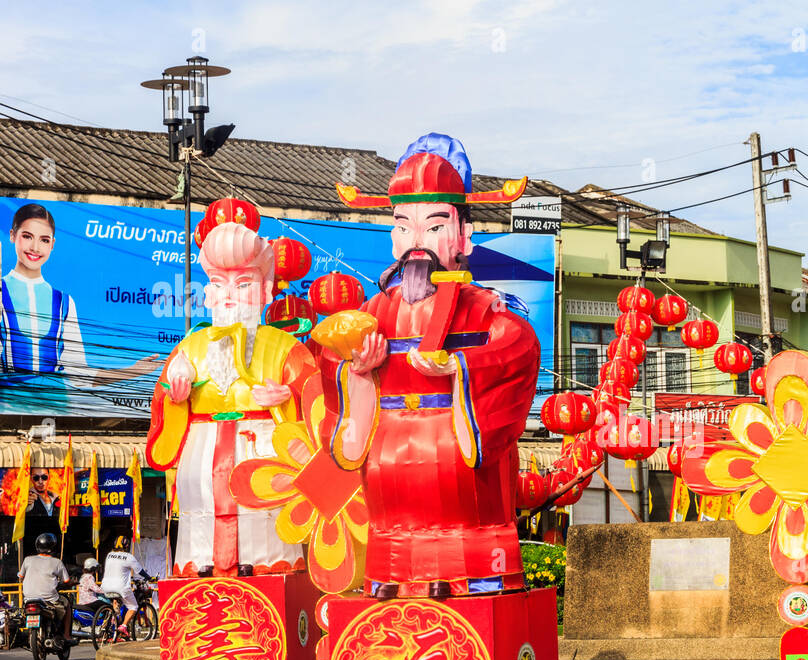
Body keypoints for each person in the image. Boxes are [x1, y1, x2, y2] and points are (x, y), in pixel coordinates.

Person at [323, 132, 538, 598]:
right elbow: (330, 359)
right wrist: (356, 371)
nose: (415, 241)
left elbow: (518, 347)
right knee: (391, 578)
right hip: (389, 459)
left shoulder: (485, 308)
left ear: (463, 235)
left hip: (456, 447)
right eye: (403, 226)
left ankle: (473, 582)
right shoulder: (372, 310)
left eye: (434, 226)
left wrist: (460, 367)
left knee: (467, 566)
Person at [146, 220, 319, 577]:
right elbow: (162, 399)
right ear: (207, 292)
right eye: (218, 283)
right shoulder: (189, 348)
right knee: (200, 511)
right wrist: (173, 393)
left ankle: (266, 565)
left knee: (263, 518)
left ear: (265, 290)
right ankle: (201, 566)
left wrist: (287, 396)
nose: (229, 295)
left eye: (243, 284)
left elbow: (315, 398)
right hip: (202, 450)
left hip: (263, 449)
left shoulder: (286, 347)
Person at [1, 204, 159, 415]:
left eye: (44, 240)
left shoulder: (65, 302)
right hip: (9, 410)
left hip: (57, 408)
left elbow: (79, 373)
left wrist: (132, 371)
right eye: (27, 236)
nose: (36, 248)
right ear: (12, 235)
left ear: (52, 244)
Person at [18, 532, 70, 641]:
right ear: (53, 547)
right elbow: (66, 580)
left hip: (29, 598)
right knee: (67, 604)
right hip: (49, 599)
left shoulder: (27, 559)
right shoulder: (57, 562)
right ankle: (66, 635)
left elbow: (20, 576)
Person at [100, 535, 145, 639]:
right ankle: (123, 626)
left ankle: (112, 621)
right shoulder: (129, 557)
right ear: (127, 546)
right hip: (121, 588)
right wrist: (149, 577)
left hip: (106, 586)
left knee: (116, 603)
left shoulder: (109, 555)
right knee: (133, 607)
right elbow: (140, 571)